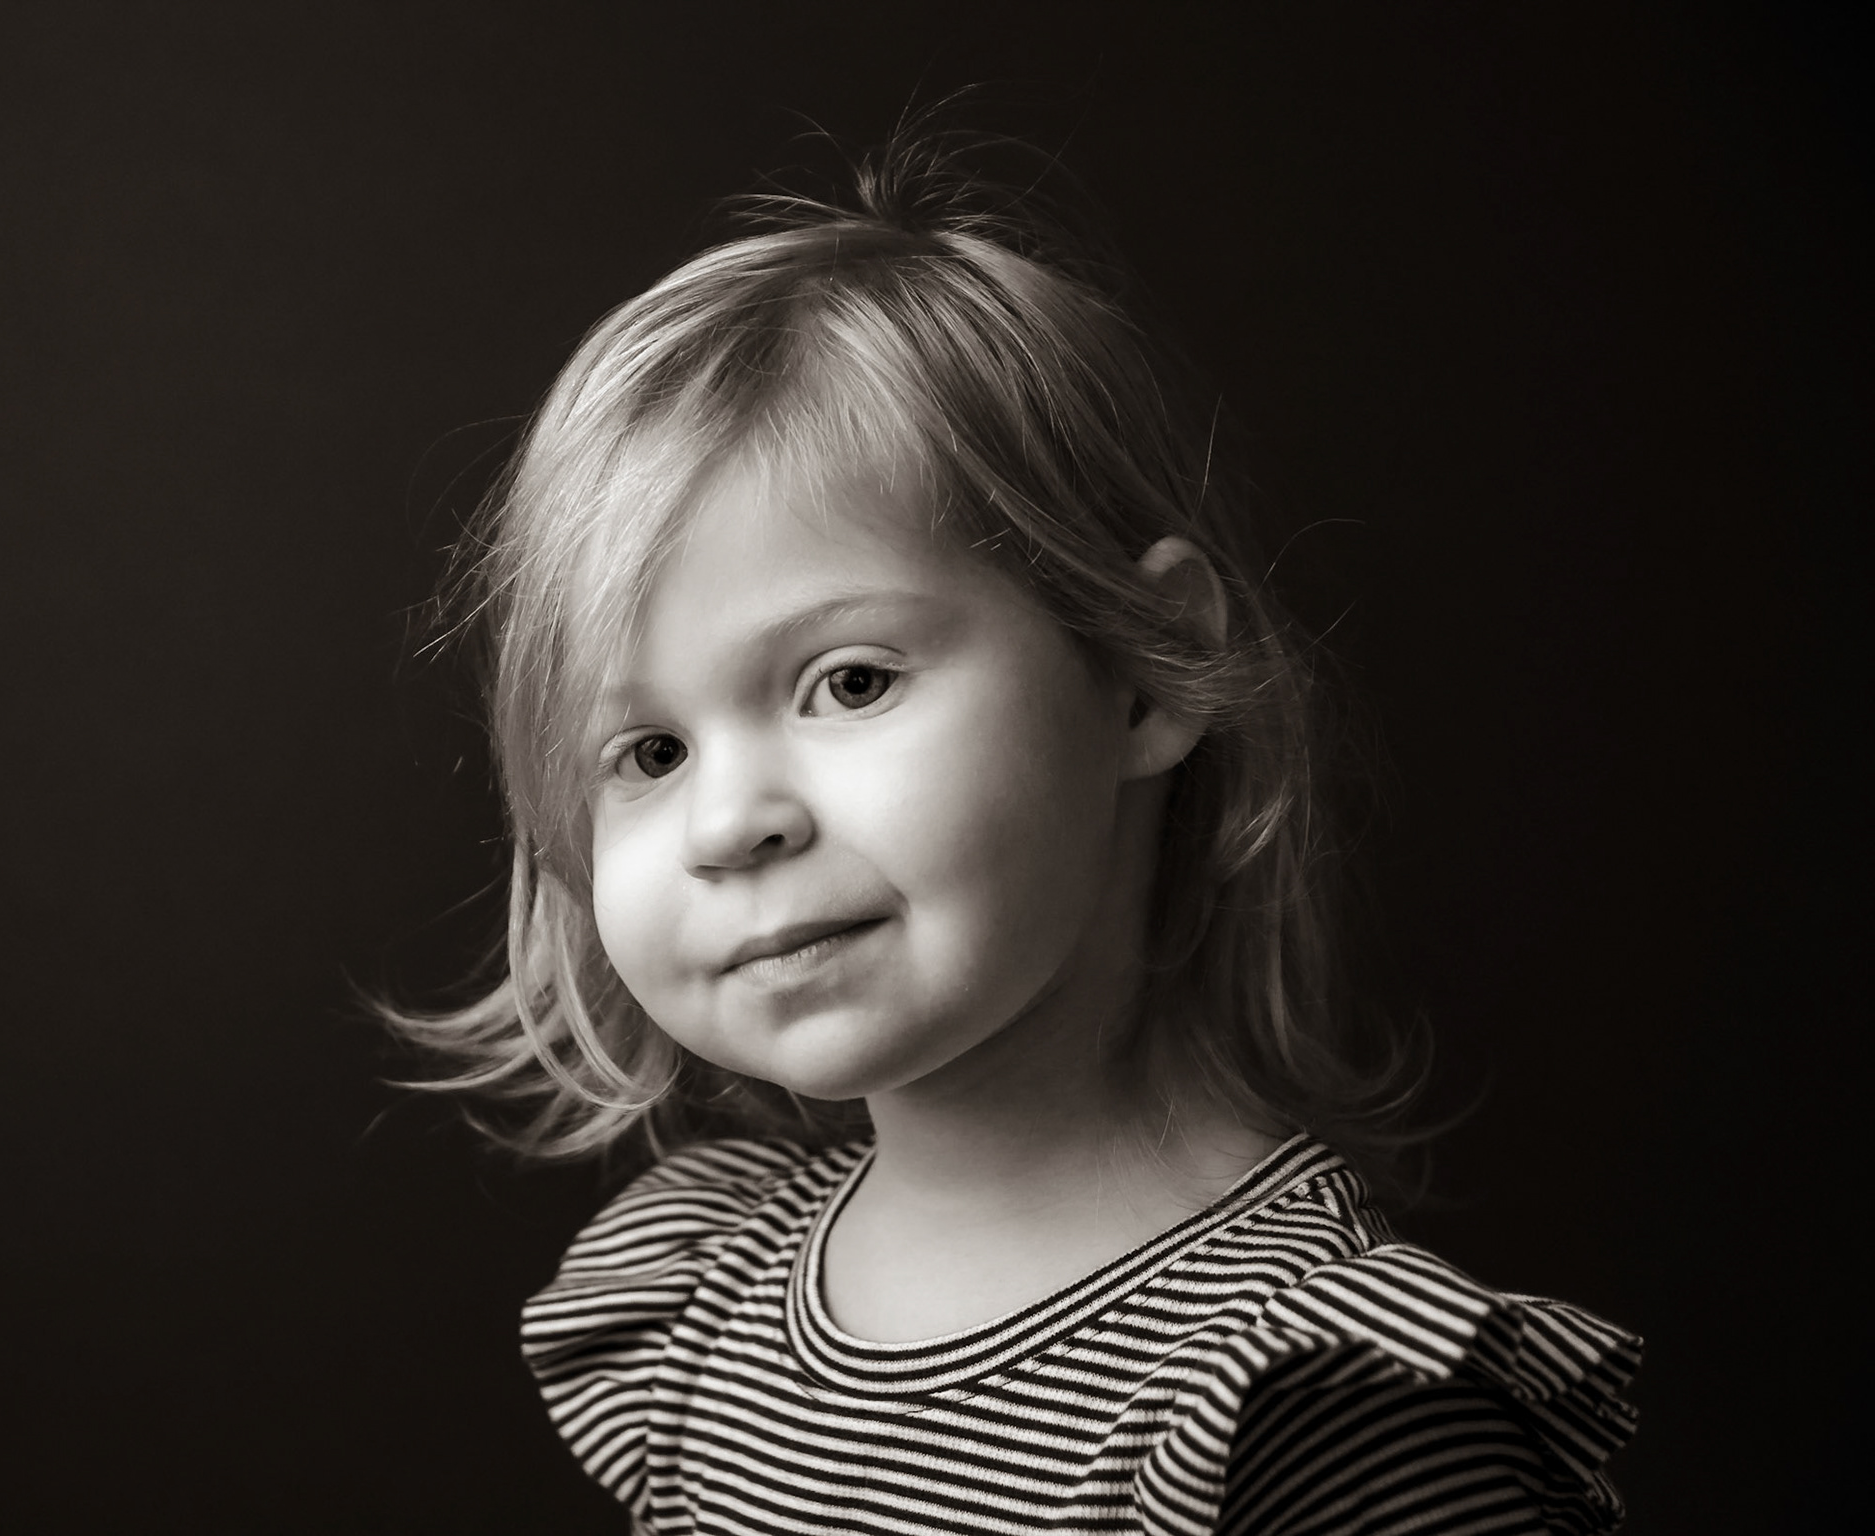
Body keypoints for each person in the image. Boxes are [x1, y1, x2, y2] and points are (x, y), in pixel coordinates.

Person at [395, 129, 1640, 1534]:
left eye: (849, 682)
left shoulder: (1303, 1404)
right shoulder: (705, 1313)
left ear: (1148, 667)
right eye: (651, 753)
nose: (730, 823)